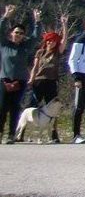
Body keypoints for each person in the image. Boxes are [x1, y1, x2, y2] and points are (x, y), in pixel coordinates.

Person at [0, 5, 42, 144]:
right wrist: (6, 16)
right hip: (4, 80)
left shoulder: (25, 47)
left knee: (14, 108)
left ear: (24, 36)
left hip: (20, 81)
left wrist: (37, 21)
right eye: (16, 32)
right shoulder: (4, 44)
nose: (18, 35)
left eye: (21, 33)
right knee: (2, 107)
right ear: (11, 33)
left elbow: (36, 37)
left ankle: (11, 134)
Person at [26, 13, 68, 143]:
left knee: (53, 108)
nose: (51, 43)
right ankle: (26, 131)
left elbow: (64, 41)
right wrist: (31, 79)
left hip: (51, 81)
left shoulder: (57, 52)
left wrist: (64, 25)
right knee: (32, 106)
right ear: (46, 41)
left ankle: (54, 134)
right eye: (49, 41)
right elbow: (35, 66)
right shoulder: (40, 52)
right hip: (39, 81)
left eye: (53, 41)